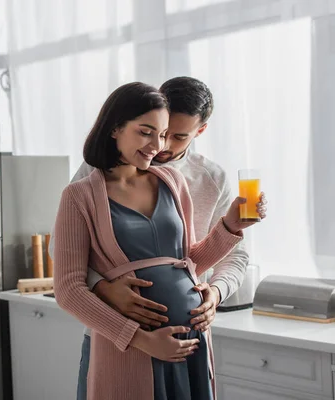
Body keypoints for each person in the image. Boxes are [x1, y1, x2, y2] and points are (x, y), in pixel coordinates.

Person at [53, 82, 267, 399]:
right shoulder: (82, 191)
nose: (158, 145)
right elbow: (68, 285)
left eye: (167, 134)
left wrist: (230, 226)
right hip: (125, 340)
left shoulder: (173, 180)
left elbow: (186, 261)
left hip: (190, 340)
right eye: (146, 132)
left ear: (200, 131)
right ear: (115, 129)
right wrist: (133, 328)